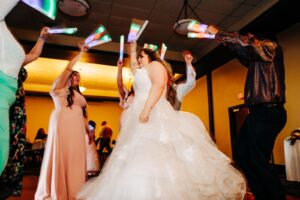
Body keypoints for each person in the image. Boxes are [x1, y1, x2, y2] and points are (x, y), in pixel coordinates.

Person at [77, 42, 246, 200]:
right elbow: (134, 71)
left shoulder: (159, 71)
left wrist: (146, 110)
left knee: (156, 155)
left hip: (155, 117)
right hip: (139, 119)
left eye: (141, 57)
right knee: (135, 156)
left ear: (150, 57)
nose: (138, 60)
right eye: (138, 58)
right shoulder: (142, 71)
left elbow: (161, 84)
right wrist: (133, 50)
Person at [0, 18, 49, 197]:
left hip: (18, 107)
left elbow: (34, 55)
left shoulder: (14, 60)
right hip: (5, 104)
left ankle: (9, 186)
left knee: (16, 147)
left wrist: (42, 38)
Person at [35, 43, 90, 200]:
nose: (76, 78)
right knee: (63, 154)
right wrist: (80, 53)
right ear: (67, 77)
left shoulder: (78, 95)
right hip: (63, 124)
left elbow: (83, 115)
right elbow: (67, 68)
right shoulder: (59, 88)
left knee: (75, 157)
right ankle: (59, 190)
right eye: (74, 76)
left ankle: (75, 190)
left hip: (77, 128)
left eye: (78, 77)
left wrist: (88, 129)